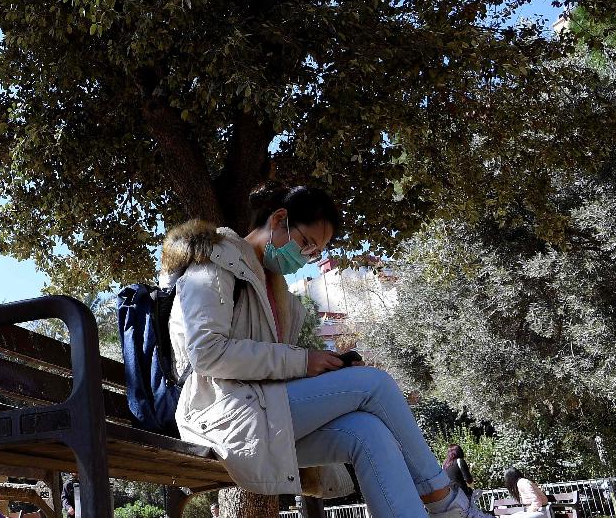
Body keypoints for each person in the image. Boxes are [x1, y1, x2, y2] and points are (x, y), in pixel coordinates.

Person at [162, 181, 491, 518]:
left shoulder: (275, 287)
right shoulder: (214, 262)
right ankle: (446, 503)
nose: (305, 257)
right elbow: (207, 352)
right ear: (278, 219)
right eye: (306, 243)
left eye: (314, 252)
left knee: (368, 431)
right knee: (374, 384)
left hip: (259, 412)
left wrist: (329, 366)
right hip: (219, 415)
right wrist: (304, 361)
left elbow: (275, 368)